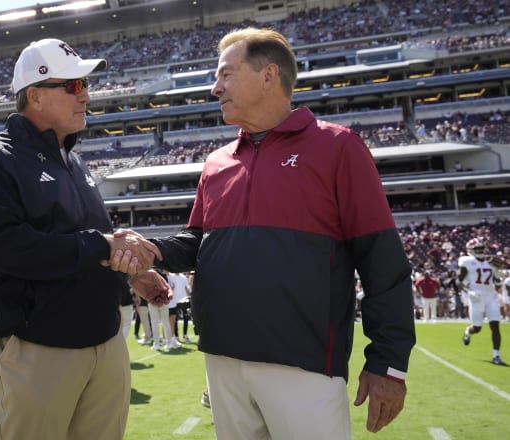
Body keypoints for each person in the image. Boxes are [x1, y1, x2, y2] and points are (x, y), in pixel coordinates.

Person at [112, 27, 415, 439]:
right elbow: (200, 241)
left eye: (225, 75)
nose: (215, 88)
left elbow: (383, 262)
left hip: (302, 365)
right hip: (221, 360)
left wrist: (388, 363)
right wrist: (152, 250)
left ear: (269, 76)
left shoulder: (338, 148)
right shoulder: (217, 162)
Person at [0, 38, 168, 440]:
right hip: (37, 345)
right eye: (73, 85)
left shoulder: (73, 159)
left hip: (104, 340)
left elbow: (86, 244)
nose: (86, 95)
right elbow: (8, 248)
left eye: (85, 84)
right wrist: (104, 245)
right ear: (34, 96)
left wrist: (129, 273)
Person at [458, 237, 506, 365]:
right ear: (470, 250)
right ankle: (468, 331)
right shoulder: (466, 261)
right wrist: (469, 292)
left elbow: (497, 280)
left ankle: (496, 356)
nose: (479, 250)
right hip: (476, 297)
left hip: (491, 297)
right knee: (477, 328)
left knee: (495, 326)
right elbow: (458, 281)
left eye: (481, 248)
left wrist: (498, 282)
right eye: (476, 249)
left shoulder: (491, 263)